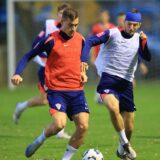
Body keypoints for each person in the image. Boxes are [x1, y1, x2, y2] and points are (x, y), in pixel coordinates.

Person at [11, 8, 89, 160]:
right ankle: (40, 140)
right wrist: (17, 73)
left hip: (77, 91)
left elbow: (80, 60)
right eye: (70, 25)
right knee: (60, 125)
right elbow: (28, 55)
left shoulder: (81, 39)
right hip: (56, 91)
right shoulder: (50, 40)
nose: (73, 28)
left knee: (83, 127)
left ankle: (65, 159)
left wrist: (83, 72)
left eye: (76, 25)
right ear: (63, 22)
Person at [81, 8, 151, 160]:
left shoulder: (139, 39)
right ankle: (126, 144)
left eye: (135, 25)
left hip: (126, 85)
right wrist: (82, 61)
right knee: (113, 108)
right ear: (124, 22)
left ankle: (121, 149)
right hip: (108, 79)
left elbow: (147, 57)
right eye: (129, 24)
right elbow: (90, 42)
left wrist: (144, 42)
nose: (131, 27)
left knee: (130, 126)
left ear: (138, 25)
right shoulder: (112, 33)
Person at [12, 3, 71, 139]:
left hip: (60, 70)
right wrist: (45, 59)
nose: (63, 16)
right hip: (47, 70)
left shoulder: (71, 31)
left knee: (58, 96)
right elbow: (36, 46)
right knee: (48, 99)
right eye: (61, 13)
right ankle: (21, 107)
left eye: (66, 14)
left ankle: (22, 107)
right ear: (57, 15)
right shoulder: (50, 26)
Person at [90, 10, 115, 103]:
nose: (103, 17)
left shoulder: (112, 27)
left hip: (109, 56)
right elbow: (92, 43)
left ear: (108, 17)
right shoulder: (95, 28)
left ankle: (102, 94)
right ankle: (99, 95)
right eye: (101, 16)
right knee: (101, 75)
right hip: (98, 56)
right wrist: (92, 56)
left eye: (105, 15)